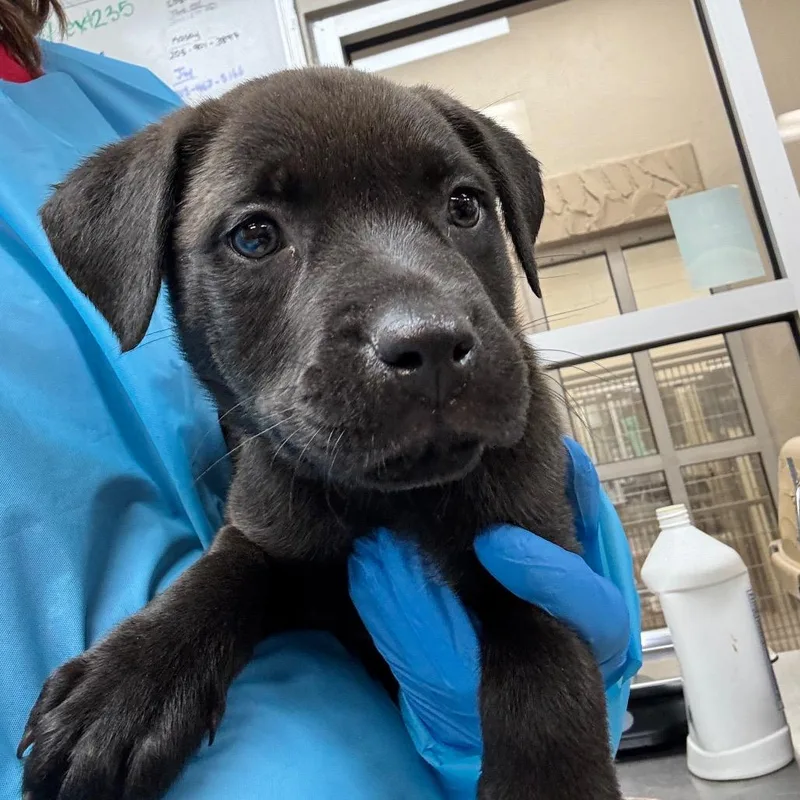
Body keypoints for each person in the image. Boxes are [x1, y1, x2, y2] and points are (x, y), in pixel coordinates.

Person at [0, 3, 642, 798]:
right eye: (257, 235)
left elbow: (536, 647)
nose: (421, 322)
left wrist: (548, 697)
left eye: (461, 207)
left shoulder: (122, 99)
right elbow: (259, 555)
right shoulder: (170, 165)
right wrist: (171, 642)